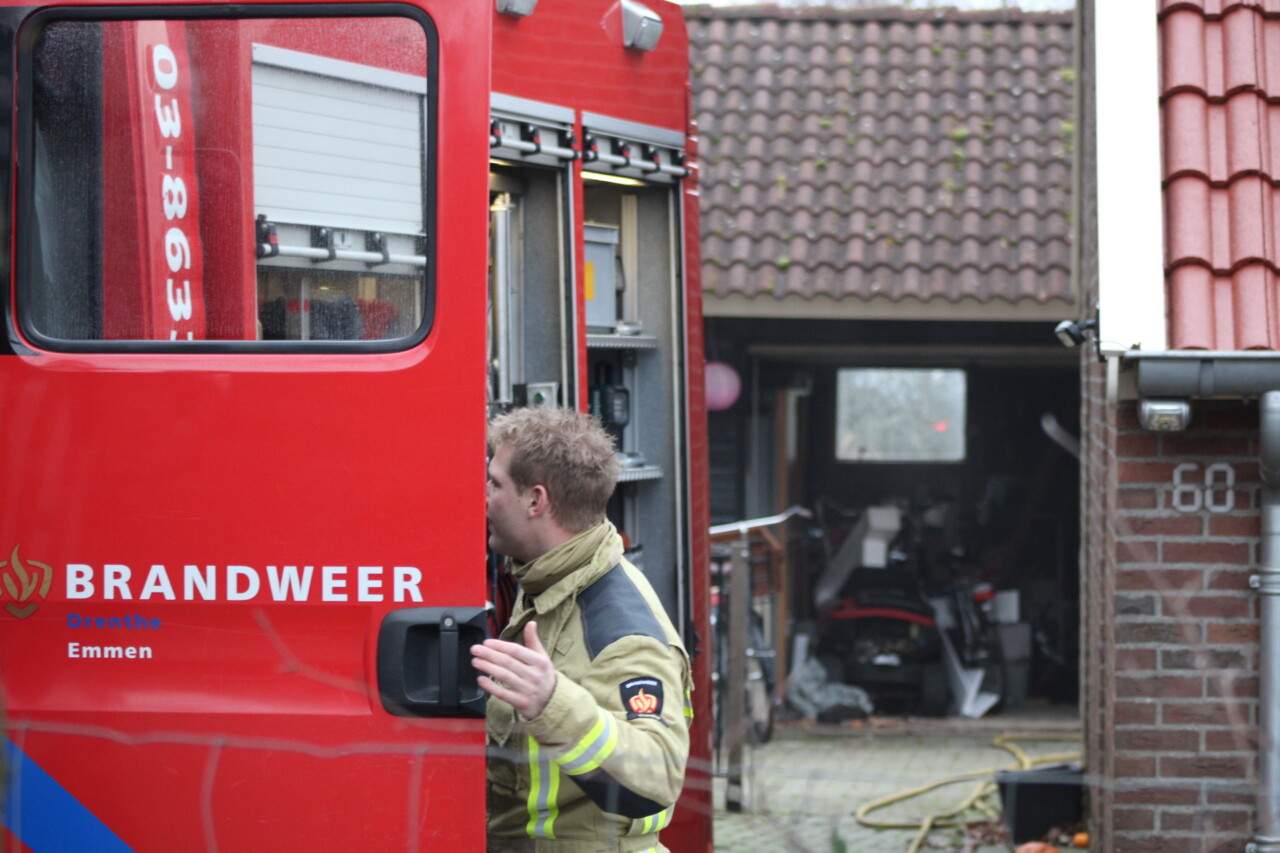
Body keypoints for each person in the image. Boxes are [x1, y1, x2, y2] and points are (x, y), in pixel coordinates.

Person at [471, 407, 691, 853]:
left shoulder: (621, 630)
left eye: (494, 484)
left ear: (536, 501)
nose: (483, 496)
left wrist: (554, 703)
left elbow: (658, 778)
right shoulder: (548, 584)